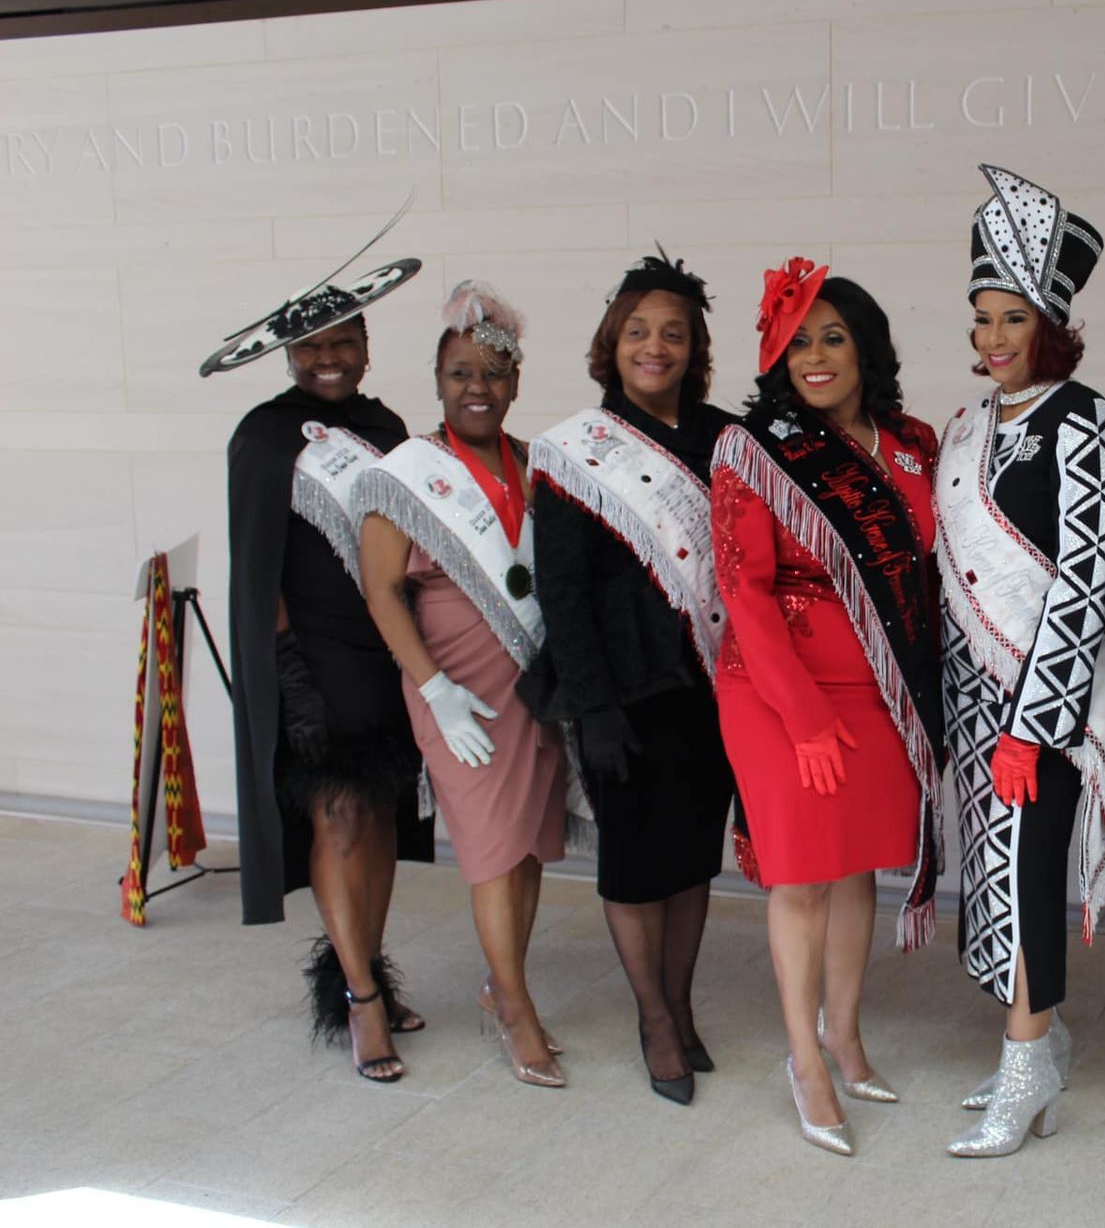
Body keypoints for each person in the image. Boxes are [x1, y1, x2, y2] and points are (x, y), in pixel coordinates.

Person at [935, 165, 1105, 1157]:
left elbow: (1082, 581)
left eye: (1010, 319)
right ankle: (1039, 1042)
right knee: (991, 876)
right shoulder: (968, 425)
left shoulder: (1085, 418)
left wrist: (1037, 722)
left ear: (1052, 324)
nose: (990, 339)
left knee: (1028, 875)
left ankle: (1027, 1067)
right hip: (977, 698)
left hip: (1045, 707)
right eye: (981, 318)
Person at [710, 262, 943, 1156]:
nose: (815, 356)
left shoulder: (913, 442)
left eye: (833, 337)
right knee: (803, 873)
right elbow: (746, 590)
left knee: (856, 870)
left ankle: (846, 1032)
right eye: (798, 339)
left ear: (867, 348)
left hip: (881, 688)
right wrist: (804, 716)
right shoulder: (754, 448)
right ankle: (804, 1057)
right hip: (780, 692)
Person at [212, 244, 433, 1083]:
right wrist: (289, 676)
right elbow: (255, 566)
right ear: (288, 356)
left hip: (381, 653)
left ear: (367, 343)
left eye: (343, 341)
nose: (329, 359)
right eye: (311, 348)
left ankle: (363, 970)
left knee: (377, 819)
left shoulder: (386, 430)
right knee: (337, 819)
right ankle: (360, 1002)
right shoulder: (264, 437)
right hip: (312, 659)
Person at [525, 253, 739, 1105]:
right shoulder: (576, 451)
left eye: (674, 334)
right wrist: (593, 707)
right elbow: (564, 596)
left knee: (691, 860)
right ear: (612, 343)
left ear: (695, 349)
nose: (656, 347)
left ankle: (682, 1006)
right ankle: (653, 1017)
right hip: (621, 693)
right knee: (633, 867)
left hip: (708, 685)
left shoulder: (724, 438)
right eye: (639, 332)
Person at [355, 281, 572, 1089]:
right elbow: (382, 590)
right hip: (456, 688)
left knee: (525, 849)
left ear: (515, 382)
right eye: (459, 373)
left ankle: (500, 980)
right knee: (487, 849)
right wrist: (434, 687)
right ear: (437, 381)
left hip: (531, 685)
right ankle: (516, 1007)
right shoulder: (408, 473)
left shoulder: (534, 463)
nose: (476, 387)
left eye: (492, 372)